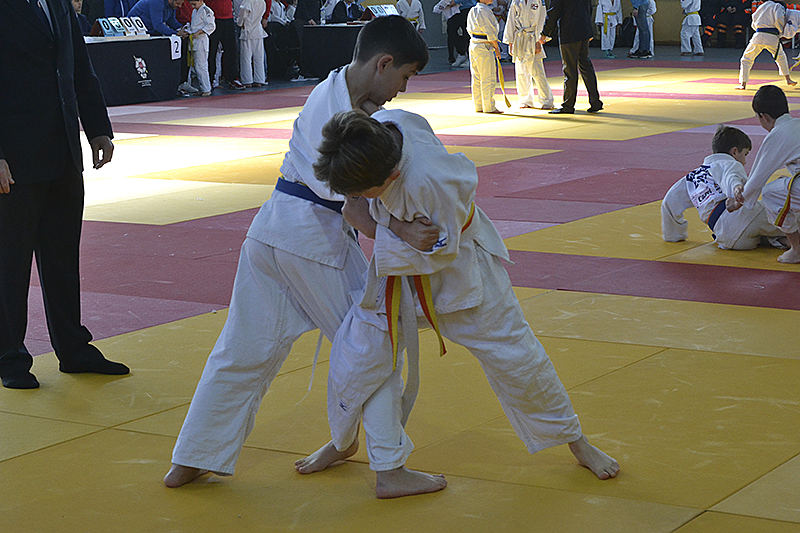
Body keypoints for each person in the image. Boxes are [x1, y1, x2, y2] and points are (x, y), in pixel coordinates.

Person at [163, 16, 438, 490]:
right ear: (384, 63)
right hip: (313, 243)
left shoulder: (336, 94)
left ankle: (194, 455)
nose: (403, 90)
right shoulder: (336, 115)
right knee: (374, 345)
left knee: (242, 350)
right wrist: (404, 232)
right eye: (405, 76)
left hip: (270, 233)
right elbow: (355, 207)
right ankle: (390, 468)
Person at [299, 109, 621, 499]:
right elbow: (357, 206)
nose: (358, 199)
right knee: (358, 352)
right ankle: (349, 442)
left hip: (465, 274)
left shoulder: (432, 183)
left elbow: (434, 251)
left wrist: (374, 224)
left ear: (392, 176)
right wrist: (389, 221)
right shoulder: (387, 125)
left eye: (365, 192)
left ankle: (576, 441)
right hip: (397, 273)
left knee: (517, 357)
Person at [0, 0, 129, 389]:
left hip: (63, 153)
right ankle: (9, 358)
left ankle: (73, 349)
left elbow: (79, 69)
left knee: (63, 259)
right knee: (10, 264)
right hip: (15, 159)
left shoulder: (59, 5)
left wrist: (98, 128)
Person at [661, 125, 786, 250]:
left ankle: (779, 240)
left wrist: (674, 234)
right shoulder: (729, 163)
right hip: (741, 216)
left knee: (756, 231)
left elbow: (668, 202)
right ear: (734, 152)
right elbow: (731, 177)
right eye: (745, 154)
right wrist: (736, 188)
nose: (745, 161)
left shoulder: (691, 178)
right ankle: (788, 238)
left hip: (725, 237)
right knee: (783, 209)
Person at [736, 85, 800, 263]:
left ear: (763, 116)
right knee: (785, 185)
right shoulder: (796, 124)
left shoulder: (779, 133)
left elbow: (757, 178)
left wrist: (738, 200)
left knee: (771, 193)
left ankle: (797, 248)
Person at [539, 0, 603, 114]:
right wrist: (589, 30)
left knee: (569, 69)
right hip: (584, 29)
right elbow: (589, 8)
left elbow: (554, 11)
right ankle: (595, 101)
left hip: (569, 32)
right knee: (585, 66)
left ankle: (568, 105)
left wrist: (545, 32)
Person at [735, 0, 798, 90]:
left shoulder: (761, 6)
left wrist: (758, 28)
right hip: (771, 35)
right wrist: (781, 32)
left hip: (758, 35)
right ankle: (788, 79)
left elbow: (754, 20)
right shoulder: (777, 6)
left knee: (747, 58)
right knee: (780, 57)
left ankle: (743, 83)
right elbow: (779, 19)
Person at [504, 0, 554, 109]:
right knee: (521, 72)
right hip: (519, 39)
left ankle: (547, 100)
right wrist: (510, 43)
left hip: (533, 37)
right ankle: (525, 100)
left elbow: (542, 19)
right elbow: (510, 21)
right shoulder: (516, 1)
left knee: (538, 72)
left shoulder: (538, 1)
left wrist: (538, 41)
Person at [468, 0, 503, 113]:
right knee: (487, 77)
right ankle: (488, 106)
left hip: (474, 43)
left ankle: (478, 105)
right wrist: (496, 47)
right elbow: (489, 30)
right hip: (484, 45)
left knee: (477, 76)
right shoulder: (483, 10)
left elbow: (469, 29)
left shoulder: (473, 10)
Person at [205, 0, 246, 89]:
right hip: (213, 17)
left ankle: (233, 78)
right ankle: (209, 80)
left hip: (228, 17)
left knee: (231, 49)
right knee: (211, 51)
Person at [185, 0, 216, 96]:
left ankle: (206, 89)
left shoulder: (206, 10)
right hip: (194, 41)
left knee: (201, 66)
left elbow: (211, 26)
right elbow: (193, 26)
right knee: (194, 66)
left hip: (201, 41)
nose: (193, 6)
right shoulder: (195, 11)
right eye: (191, 4)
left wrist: (199, 32)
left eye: (194, 4)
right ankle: (201, 88)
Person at [235, 0, 268, 88]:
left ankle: (247, 80)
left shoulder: (247, 1)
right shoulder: (262, 2)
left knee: (246, 57)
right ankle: (259, 79)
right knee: (259, 57)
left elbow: (242, 14)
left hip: (248, 29)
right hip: (258, 29)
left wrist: (240, 23)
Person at [433, 0, 467, 65]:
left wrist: (456, 1)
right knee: (451, 32)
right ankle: (458, 54)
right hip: (456, 11)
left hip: (466, 8)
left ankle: (466, 55)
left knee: (466, 33)